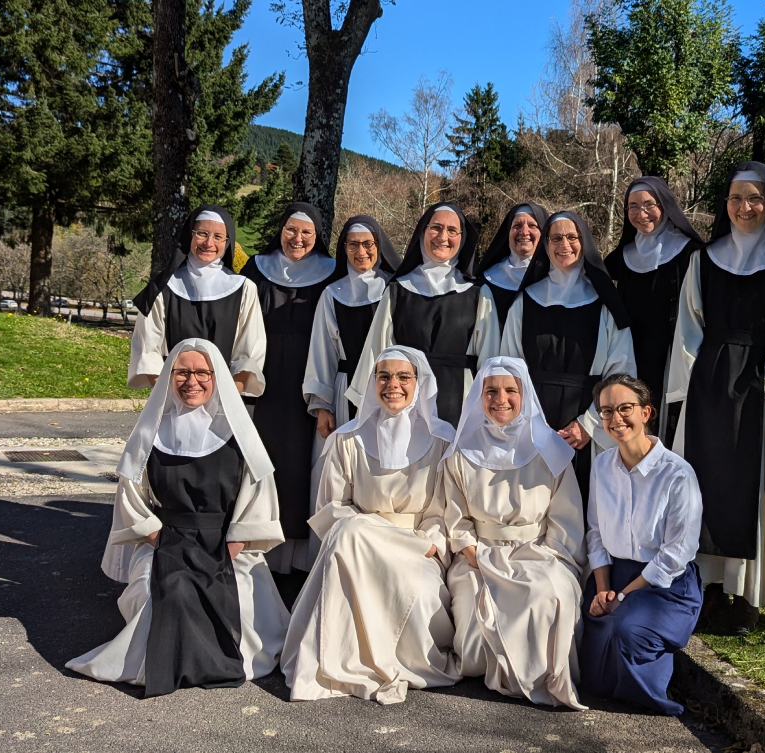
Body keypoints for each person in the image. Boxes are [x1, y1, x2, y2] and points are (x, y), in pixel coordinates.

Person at [68, 339, 289, 697]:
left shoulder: (238, 432)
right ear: (169, 377)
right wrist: (159, 539)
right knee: (166, 590)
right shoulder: (150, 431)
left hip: (227, 543)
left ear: (216, 377)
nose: (192, 381)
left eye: (202, 372)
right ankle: (174, 665)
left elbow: (258, 495)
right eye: (182, 372)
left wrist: (232, 546)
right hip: (165, 539)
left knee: (240, 597)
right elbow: (131, 495)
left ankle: (211, 661)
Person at [666, 161, 765, 634]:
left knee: (755, 489)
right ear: (725, 204)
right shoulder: (704, 260)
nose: (744, 207)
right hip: (709, 385)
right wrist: (685, 385)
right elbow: (688, 326)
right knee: (704, 485)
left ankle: (747, 598)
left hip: (760, 387)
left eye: (754, 198)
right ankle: (707, 588)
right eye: (735, 198)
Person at [281, 346, 460, 704]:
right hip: (358, 549)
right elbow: (332, 508)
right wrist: (369, 533)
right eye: (384, 376)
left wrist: (433, 544)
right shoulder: (347, 438)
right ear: (373, 382)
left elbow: (448, 508)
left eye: (403, 377)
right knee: (350, 530)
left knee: (424, 596)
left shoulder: (443, 440)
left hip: (416, 545)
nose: (393, 385)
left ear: (419, 383)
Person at [442, 356, 586, 709]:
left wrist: (548, 557)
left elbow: (565, 519)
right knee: (474, 627)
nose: (500, 399)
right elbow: (456, 518)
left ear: (525, 395)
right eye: (491, 391)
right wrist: (475, 554)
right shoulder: (461, 450)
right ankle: (492, 671)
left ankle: (538, 677)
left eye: (510, 390)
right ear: (480, 396)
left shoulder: (550, 448)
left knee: (547, 592)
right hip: (479, 554)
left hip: (539, 551)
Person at [579, 373, 702, 716]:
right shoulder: (602, 465)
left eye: (625, 408)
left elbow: (675, 555)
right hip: (613, 577)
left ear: (646, 413)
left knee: (626, 631)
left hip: (665, 586)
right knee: (587, 640)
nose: (616, 419)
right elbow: (596, 533)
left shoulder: (677, 475)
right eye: (606, 411)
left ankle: (648, 692)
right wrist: (604, 589)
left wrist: (621, 598)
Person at [500, 210, 636, 500]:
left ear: (583, 242)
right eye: (556, 238)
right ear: (545, 245)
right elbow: (508, 367)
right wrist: (532, 422)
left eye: (572, 237)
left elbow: (621, 373)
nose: (565, 245)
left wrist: (588, 425)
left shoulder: (605, 304)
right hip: (535, 423)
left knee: (587, 507)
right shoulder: (525, 301)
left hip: (589, 422)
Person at [241, 202, 337, 599]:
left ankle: (296, 555)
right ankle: (258, 540)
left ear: (318, 237)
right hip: (265, 375)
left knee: (302, 462)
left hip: (310, 372)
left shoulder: (331, 273)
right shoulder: (256, 269)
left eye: (307, 233)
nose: (298, 239)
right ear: (279, 230)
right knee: (265, 457)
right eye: (291, 230)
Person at [348, 203, 500, 427]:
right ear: (423, 232)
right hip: (403, 404)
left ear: (462, 238)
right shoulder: (397, 291)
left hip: (463, 404)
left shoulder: (479, 294)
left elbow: (490, 360)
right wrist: (366, 409)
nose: (443, 236)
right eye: (436, 228)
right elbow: (376, 352)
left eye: (452, 230)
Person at [604, 177, 704, 446]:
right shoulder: (620, 259)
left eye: (649, 205)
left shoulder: (690, 254)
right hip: (629, 353)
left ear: (665, 206)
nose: (641, 213)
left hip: (673, 354)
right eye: (633, 207)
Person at [129, 205, 266, 397]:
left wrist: (228, 398)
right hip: (173, 398)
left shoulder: (244, 289)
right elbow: (148, 350)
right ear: (190, 236)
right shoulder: (163, 287)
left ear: (227, 242)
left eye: (218, 236)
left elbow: (249, 353)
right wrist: (174, 396)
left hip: (225, 399)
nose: (209, 243)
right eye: (202, 233)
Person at [303, 215, 400, 433]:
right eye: (353, 245)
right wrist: (322, 407)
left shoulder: (395, 289)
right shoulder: (332, 294)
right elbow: (322, 352)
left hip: (390, 388)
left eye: (368, 244)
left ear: (379, 245)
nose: (361, 252)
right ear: (344, 248)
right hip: (344, 389)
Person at [474, 202, 549, 331]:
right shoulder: (486, 281)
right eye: (517, 226)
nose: (524, 232)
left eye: (532, 225)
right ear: (507, 233)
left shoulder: (554, 278)